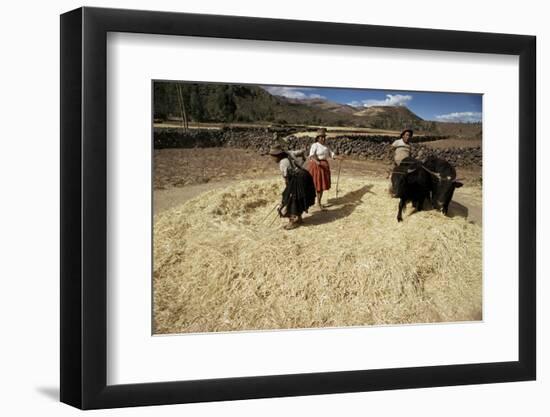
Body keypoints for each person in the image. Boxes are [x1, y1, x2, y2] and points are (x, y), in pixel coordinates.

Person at [269, 145, 316, 230]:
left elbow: (287, 179)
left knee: (290, 199)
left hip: (298, 179)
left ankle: (293, 221)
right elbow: (301, 152)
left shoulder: (283, 163)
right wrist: (302, 158)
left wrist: (289, 191)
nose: (272, 159)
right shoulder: (289, 153)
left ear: (278, 155)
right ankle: (299, 218)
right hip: (305, 175)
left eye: (273, 157)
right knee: (299, 198)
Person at [306, 128, 342, 209]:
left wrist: (339, 157)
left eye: (324, 137)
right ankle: (310, 201)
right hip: (315, 166)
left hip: (324, 166)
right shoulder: (315, 145)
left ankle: (319, 203)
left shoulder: (326, 147)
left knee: (321, 185)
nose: (323, 138)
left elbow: (332, 155)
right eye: (321, 137)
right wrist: (316, 161)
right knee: (314, 185)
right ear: (317, 138)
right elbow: (311, 155)